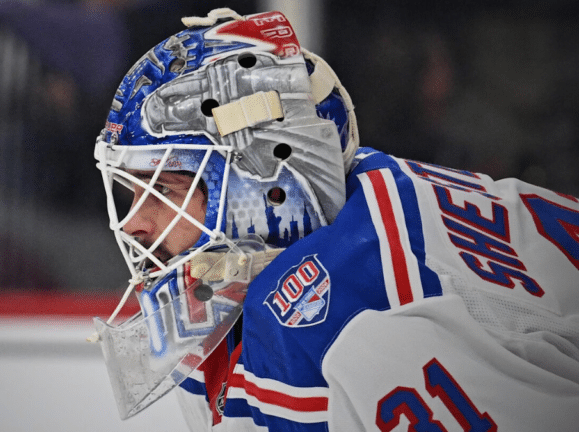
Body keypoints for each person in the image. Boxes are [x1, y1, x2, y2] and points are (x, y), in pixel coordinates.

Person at [90, 8, 579, 431]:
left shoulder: (354, 329)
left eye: (163, 190)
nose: (136, 222)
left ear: (259, 182)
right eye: (133, 191)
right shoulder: (252, 292)